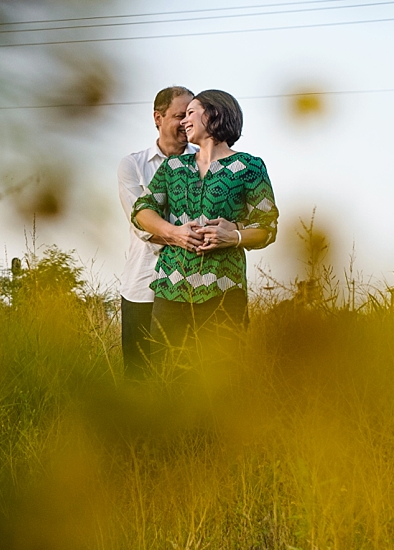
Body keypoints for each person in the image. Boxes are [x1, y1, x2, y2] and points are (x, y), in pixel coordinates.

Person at [131, 89, 278, 358]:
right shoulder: (174, 166)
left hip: (224, 291)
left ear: (214, 114)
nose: (184, 121)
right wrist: (175, 233)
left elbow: (267, 228)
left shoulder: (249, 167)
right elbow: (142, 210)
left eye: (190, 113)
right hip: (170, 289)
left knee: (219, 381)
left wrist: (233, 236)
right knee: (168, 378)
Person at [117, 86, 196, 378]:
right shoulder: (133, 165)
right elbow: (142, 224)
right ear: (158, 118)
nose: (186, 123)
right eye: (179, 116)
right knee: (138, 376)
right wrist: (183, 235)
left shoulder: (207, 162)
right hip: (143, 285)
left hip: (190, 288)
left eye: (191, 115)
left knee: (183, 376)